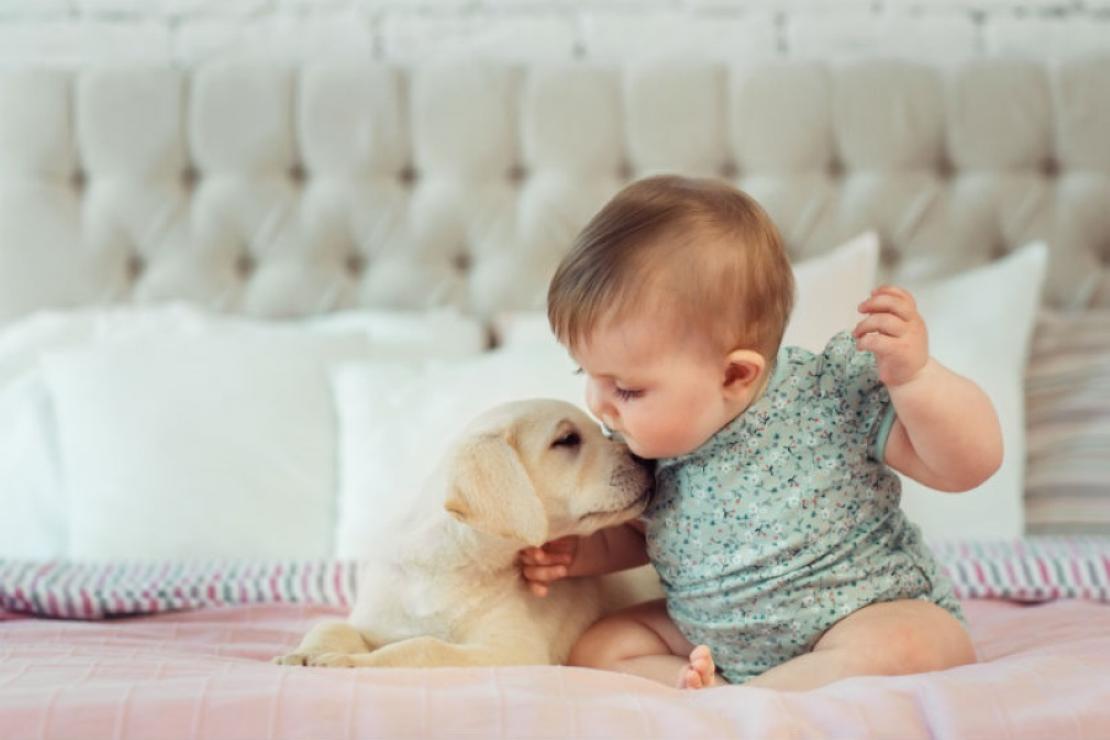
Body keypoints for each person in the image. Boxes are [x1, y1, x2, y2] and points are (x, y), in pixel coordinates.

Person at [517, 174, 1002, 691]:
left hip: (858, 615)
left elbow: (970, 464)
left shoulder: (828, 396)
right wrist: (581, 554)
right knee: (598, 647)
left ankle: (748, 704)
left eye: (628, 390)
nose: (598, 405)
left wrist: (916, 378)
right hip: (714, 639)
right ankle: (720, 692)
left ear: (733, 376)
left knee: (915, 644)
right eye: (585, 375)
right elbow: (642, 539)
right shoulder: (643, 451)